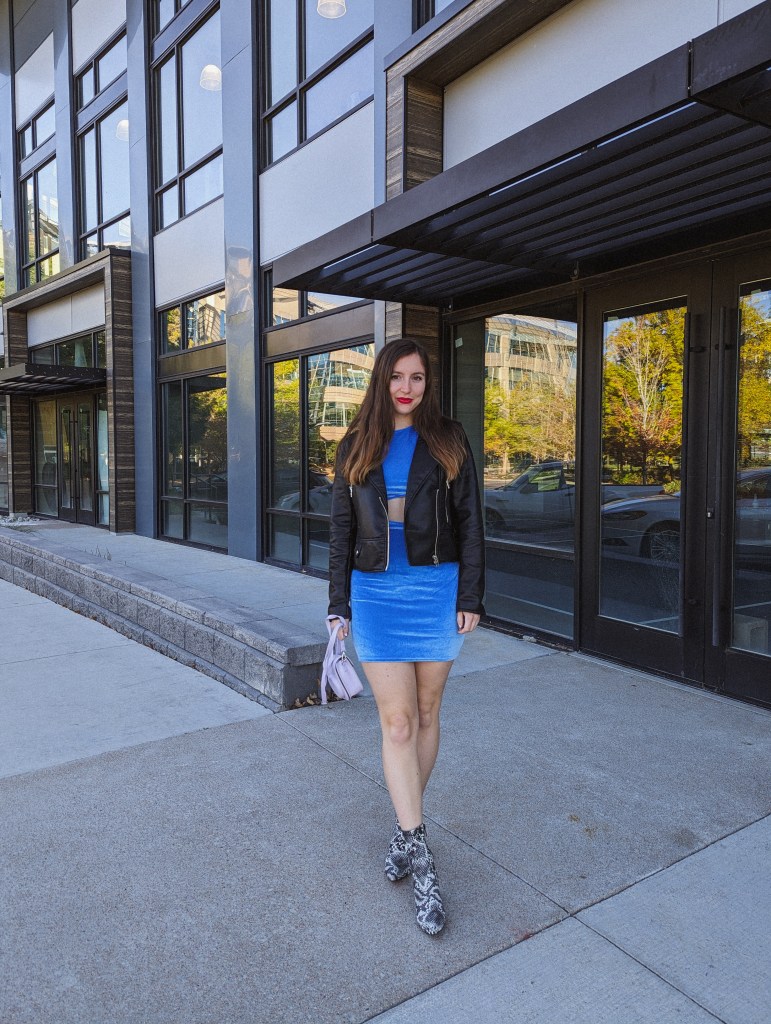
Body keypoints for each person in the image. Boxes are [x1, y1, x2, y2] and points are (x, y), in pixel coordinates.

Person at [328, 338, 485, 936]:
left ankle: (402, 828)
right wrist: (337, 605)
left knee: (426, 711)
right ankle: (421, 854)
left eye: (417, 378)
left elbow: (470, 521)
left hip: (436, 589)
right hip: (375, 592)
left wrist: (471, 595)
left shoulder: (449, 438)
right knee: (397, 724)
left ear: (427, 384)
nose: (407, 388)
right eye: (397, 377)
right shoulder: (355, 444)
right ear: (381, 380)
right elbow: (340, 531)